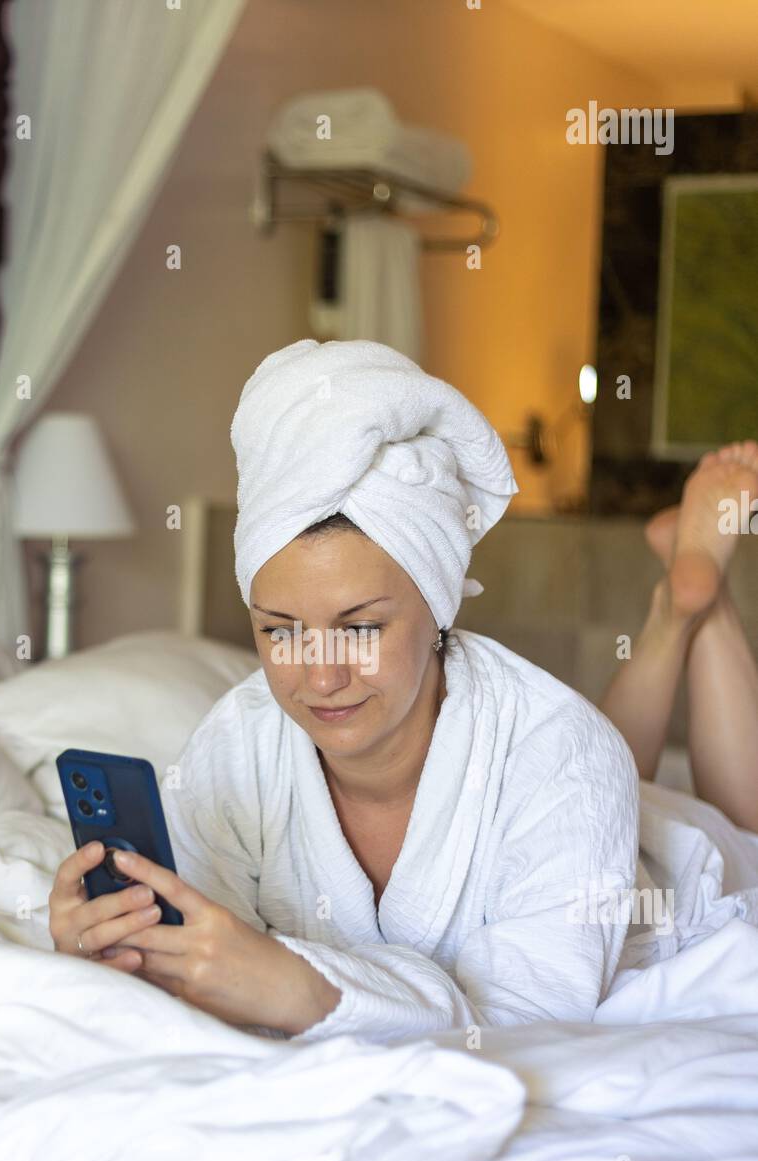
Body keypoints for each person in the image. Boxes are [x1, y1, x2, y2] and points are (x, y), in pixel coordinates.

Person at [48, 341, 758, 1043]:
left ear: (439, 606)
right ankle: (680, 606)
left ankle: (695, 604)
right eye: (279, 631)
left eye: (360, 629)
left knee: (728, 818)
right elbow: (206, 958)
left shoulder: (562, 751)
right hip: (578, 794)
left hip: (658, 873)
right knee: (600, 760)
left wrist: (302, 988)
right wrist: (123, 949)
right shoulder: (238, 745)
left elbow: (522, 1020)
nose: (320, 678)